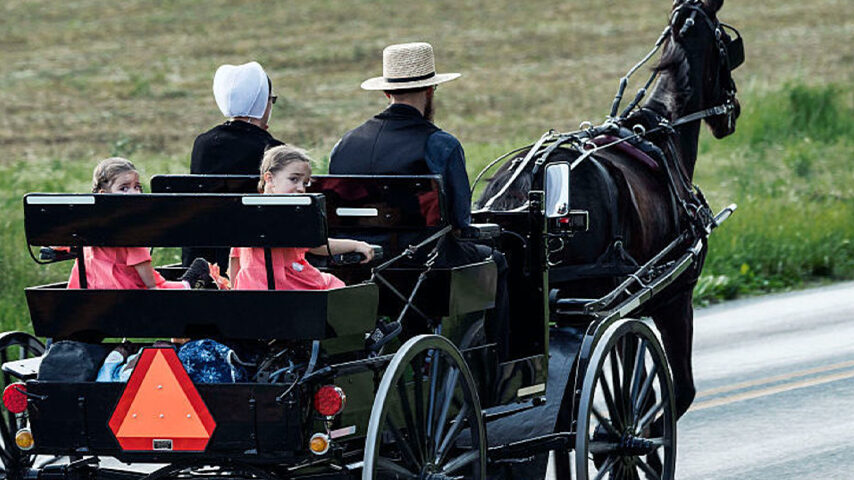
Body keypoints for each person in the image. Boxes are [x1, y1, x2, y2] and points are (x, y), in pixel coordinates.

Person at [328, 42, 510, 359]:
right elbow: (460, 222)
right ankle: (498, 359)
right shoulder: (440, 144)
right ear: (430, 90)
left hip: (356, 268)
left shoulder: (344, 144)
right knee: (496, 260)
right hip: (423, 271)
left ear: (386, 93)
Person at [229, 145, 375, 290]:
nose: (301, 188)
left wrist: (235, 294)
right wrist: (356, 245)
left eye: (305, 183)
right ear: (269, 178)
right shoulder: (291, 214)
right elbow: (318, 246)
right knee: (334, 286)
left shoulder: (244, 212)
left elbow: (235, 258)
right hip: (290, 285)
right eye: (294, 179)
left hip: (252, 287)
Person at [185, 61, 284, 269]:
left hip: (202, 259)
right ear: (261, 102)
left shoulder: (203, 144)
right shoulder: (272, 150)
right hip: (252, 264)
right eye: (271, 100)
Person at [67, 158, 214, 290]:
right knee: (168, 286)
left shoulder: (86, 224)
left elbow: (64, 244)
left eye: (137, 187)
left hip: (87, 296)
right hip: (128, 296)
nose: (133, 193)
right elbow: (151, 285)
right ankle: (186, 286)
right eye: (124, 188)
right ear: (103, 194)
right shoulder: (132, 231)